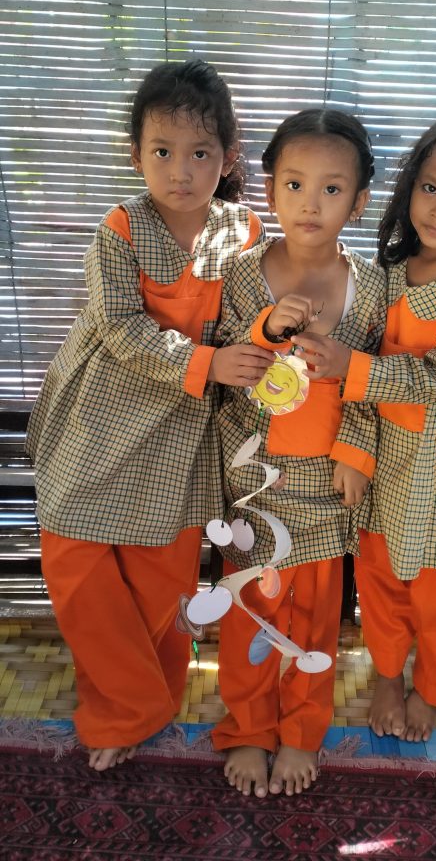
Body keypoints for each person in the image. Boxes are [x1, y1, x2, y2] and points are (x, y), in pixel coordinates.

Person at [26, 59, 273, 771]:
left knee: (162, 579)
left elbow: (252, 321)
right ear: (136, 154)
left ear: (228, 156)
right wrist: (208, 363)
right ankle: (132, 708)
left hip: (182, 432)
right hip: (98, 417)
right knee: (75, 562)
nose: (180, 171)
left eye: (200, 153)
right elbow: (119, 327)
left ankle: (136, 708)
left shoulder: (244, 231)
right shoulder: (121, 228)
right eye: (162, 151)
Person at [294, 111, 436, 743]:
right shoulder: (385, 279)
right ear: (409, 186)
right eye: (430, 188)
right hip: (388, 464)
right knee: (381, 582)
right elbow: (360, 387)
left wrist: (350, 365)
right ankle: (390, 675)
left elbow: (434, 377)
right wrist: (352, 452)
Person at [211, 108, 388, 797]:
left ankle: (301, 733)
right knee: (248, 615)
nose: (310, 203)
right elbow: (225, 367)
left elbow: (377, 379)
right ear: (270, 190)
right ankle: (249, 728)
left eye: (331, 189)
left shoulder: (372, 287)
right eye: (294, 184)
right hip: (254, 483)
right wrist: (266, 327)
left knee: (315, 621)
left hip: (323, 487)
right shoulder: (242, 275)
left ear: (360, 201)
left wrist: (356, 453)